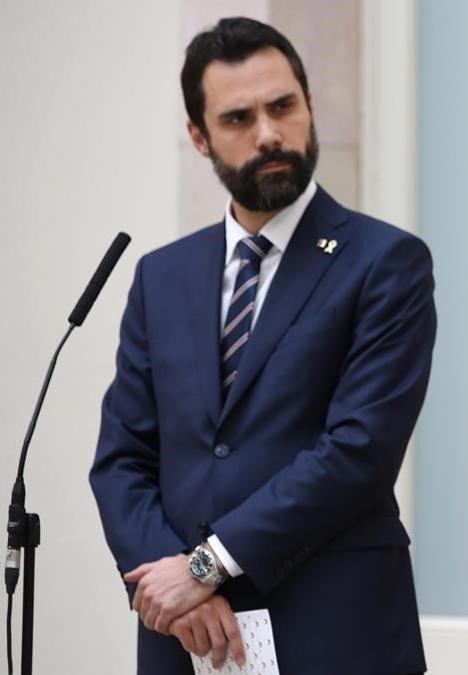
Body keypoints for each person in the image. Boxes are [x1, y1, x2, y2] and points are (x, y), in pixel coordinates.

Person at [89, 17, 434, 674]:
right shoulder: (160, 276)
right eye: (239, 118)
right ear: (199, 136)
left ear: (308, 105)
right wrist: (174, 591)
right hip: (187, 638)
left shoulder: (385, 261)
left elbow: (358, 450)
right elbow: (123, 459)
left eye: (283, 107)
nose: (270, 133)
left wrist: (205, 564)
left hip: (334, 628)